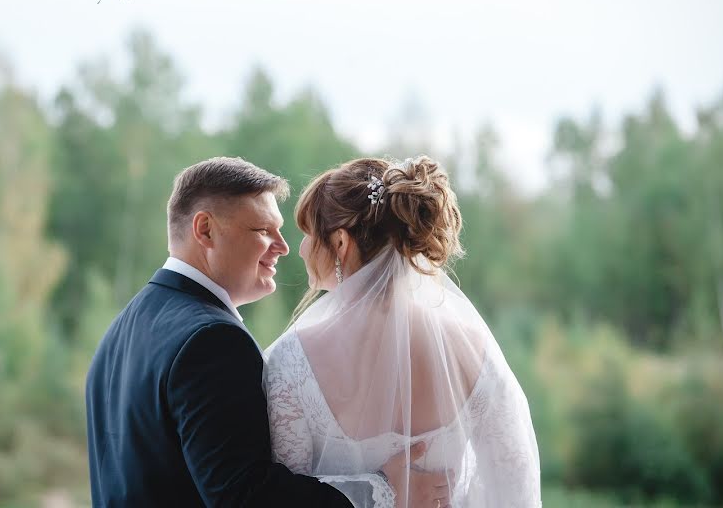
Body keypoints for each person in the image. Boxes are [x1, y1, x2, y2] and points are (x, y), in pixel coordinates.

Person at [85, 157, 449, 507]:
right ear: (205, 229)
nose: (284, 247)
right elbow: (245, 496)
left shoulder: (122, 331)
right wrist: (383, 491)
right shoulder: (212, 341)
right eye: (263, 231)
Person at [264, 156, 542, 508]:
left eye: (307, 234)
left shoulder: (292, 361)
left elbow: (280, 498)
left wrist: (374, 493)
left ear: (339, 244)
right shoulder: (473, 348)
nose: (301, 248)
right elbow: (516, 484)